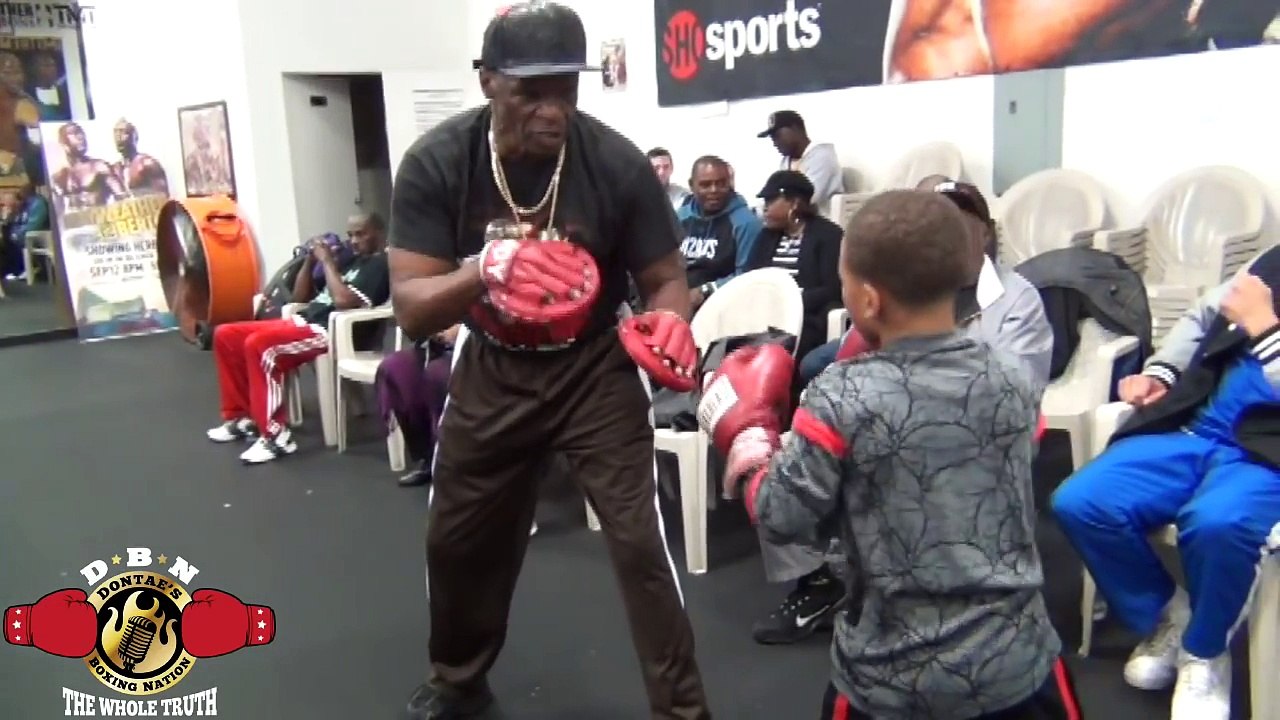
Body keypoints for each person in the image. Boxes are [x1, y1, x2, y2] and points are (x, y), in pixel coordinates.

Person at [386, 4, 709, 718]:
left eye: (565, 88)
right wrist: (487, 269)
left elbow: (663, 278)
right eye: (531, 92)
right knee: (457, 537)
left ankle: (683, 711)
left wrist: (670, 323)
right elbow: (411, 304)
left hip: (592, 367)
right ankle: (460, 680)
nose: (552, 108)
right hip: (494, 363)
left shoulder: (616, 162)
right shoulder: (439, 161)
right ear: (487, 82)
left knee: (639, 543)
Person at [698, 189, 1074, 718]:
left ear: (868, 299)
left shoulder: (842, 397)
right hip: (1018, 662)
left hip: (893, 675)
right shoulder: (1011, 378)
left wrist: (748, 439)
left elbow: (783, 516)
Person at [1051, 246, 1280, 720]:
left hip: (1267, 451)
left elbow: (1253, 319)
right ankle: (1169, 614)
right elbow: (1205, 314)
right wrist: (1162, 371)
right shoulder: (1274, 261)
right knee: (1082, 501)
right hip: (1199, 426)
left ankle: (1205, 651)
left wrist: (1266, 330)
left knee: (1219, 523)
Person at [799, 178, 1050, 391]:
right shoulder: (908, 278)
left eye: (958, 227)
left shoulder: (1018, 300)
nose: (945, 239)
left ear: (985, 233)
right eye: (935, 231)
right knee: (813, 365)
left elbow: (1017, 390)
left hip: (961, 418)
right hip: (890, 393)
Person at [206, 213, 389, 465]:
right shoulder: (350, 262)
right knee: (225, 335)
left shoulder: (381, 265)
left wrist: (328, 263)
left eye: (361, 234)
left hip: (328, 332)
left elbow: (344, 302)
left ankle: (276, 437)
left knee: (261, 346)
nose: (354, 241)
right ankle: (241, 418)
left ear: (379, 233)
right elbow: (299, 298)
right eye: (350, 235)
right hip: (303, 321)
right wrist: (309, 260)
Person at [746, 170, 843, 363]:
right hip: (763, 312)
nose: (765, 208)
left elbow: (832, 289)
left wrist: (790, 301)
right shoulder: (766, 237)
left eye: (771, 201)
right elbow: (750, 277)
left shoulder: (828, 235)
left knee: (777, 351)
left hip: (806, 317)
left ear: (795, 203)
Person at [677, 155, 762, 312]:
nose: (714, 190)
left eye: (721, 184)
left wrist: (705, 291)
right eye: (705, 185)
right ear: (692, 185)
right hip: (679, 297)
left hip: (723, 305)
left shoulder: (746, 222)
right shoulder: (680, 217)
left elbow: (747, 276)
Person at [758, 110, 844, 216]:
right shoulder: (786, 162)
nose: (775, 143)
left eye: (777, 135)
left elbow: (808, 199)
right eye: (772, 139)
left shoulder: (822, 157)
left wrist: (773, 208)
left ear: (795, 129)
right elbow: (776, 194)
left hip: (823, 223)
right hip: (795, 225)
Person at [49, 122, 128, 211]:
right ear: (63, 142)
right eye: (74, 133)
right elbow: (57, 212)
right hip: (75, 222)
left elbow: (123, 198)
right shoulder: (60, 176)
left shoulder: (99, 167)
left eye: (81, 133)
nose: (81, 137)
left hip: (99, 221)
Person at [1, 183, 49, 281]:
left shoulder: (38, 203)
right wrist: (9, 216)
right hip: (23, 235)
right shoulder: (25, 204)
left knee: (9, 238)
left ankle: (21, 270)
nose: (19, 191)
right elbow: (17, 221)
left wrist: (15, 233)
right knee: (6, 237)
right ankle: (13, 271)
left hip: (38, 237)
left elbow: (33, 225)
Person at [111, 119, 170, 197]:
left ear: (134, 136)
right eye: (116, 133)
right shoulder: (115, 169)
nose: (118, 137)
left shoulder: (148, 164)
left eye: (123, 132)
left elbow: (163, 196)